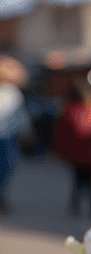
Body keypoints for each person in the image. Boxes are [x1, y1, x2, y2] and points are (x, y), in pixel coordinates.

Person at [54, 85, 91, 217]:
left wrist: (61, 153)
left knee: (77, 183)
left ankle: (75, 208)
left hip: (76, 155)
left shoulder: (70, 111)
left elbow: (61, 135)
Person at [0, 56, 29, 215]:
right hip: (5, 136)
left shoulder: (12, 92)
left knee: (7, 167)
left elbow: (18, 116)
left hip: (8, 136)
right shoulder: (9, 92)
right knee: (6, 166)